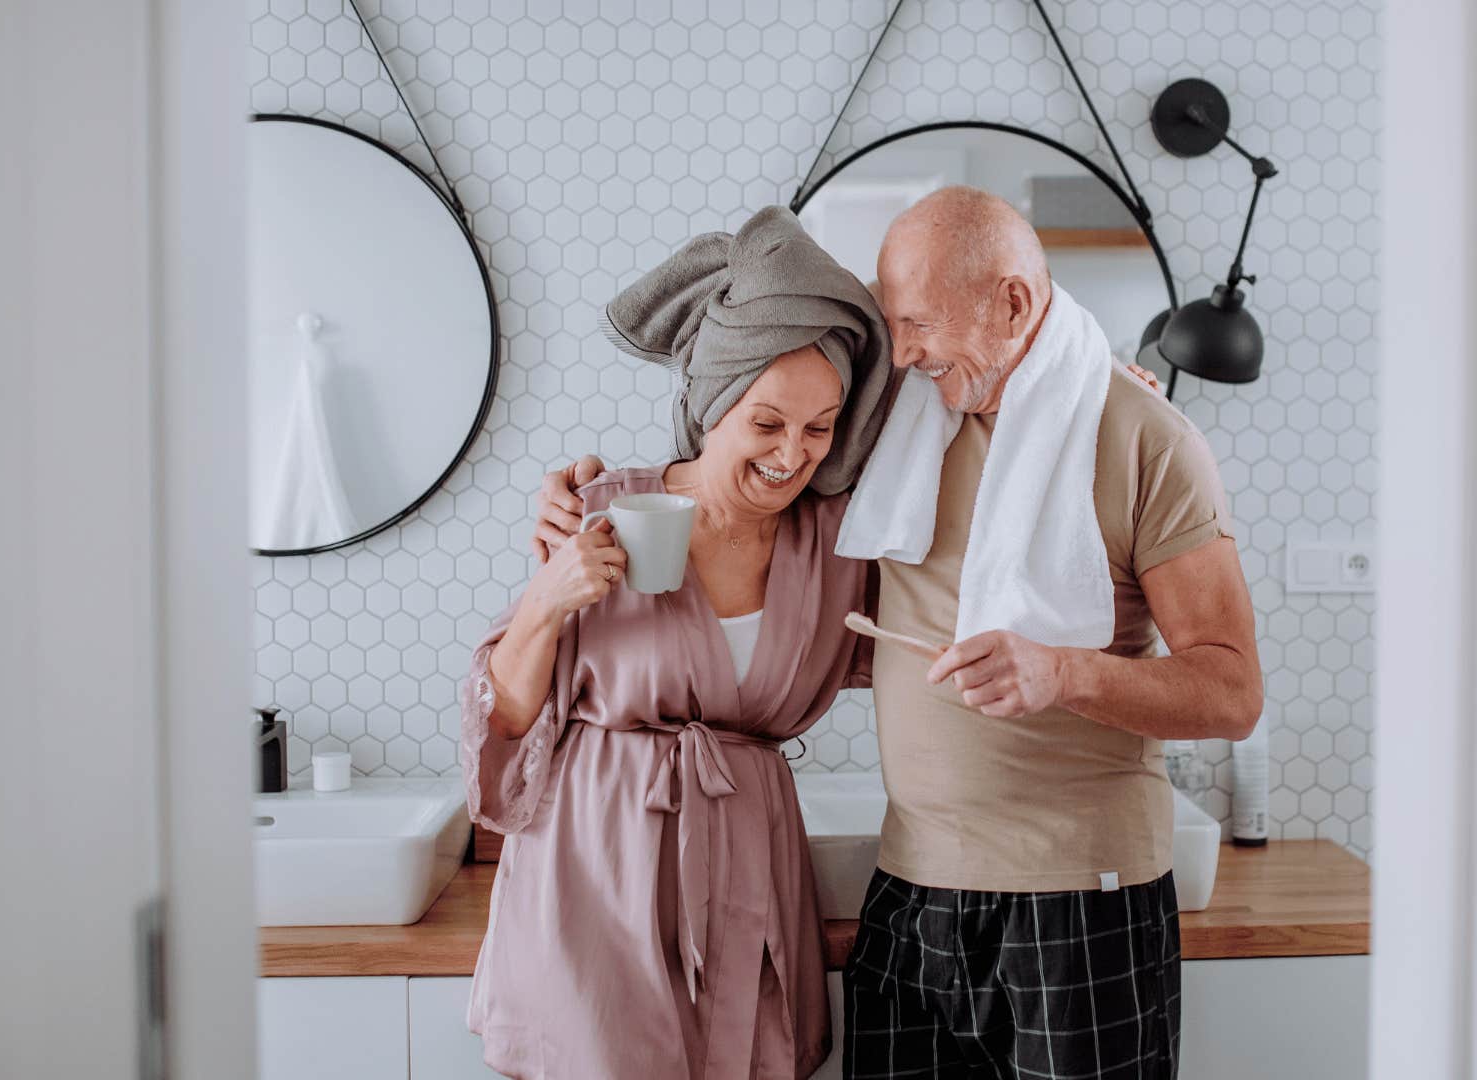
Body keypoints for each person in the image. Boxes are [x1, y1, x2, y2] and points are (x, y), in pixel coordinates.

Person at [534, 186, 1263, 1079]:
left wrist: (1065, 674)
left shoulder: (1150, 441)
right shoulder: (900, 427)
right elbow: (749, 466)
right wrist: (585, 496)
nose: (904, 351)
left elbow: (1231, 692)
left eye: (920, 323)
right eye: (893, 325)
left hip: (1082, 903)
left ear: (1016, 303)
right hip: (913, 898)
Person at [458, 206, 893, 1079]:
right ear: (710, 404)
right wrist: (547, 602)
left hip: (749, 869)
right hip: (595, 872)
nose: (793, 455)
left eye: (820, 427)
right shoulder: (600, 509)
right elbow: (506, 720)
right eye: (767, 424)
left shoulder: (840, 544)